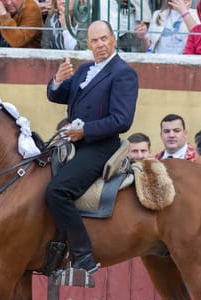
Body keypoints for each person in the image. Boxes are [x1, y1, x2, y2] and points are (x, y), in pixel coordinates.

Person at [45, 20, 138, 275]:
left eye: (104, 39)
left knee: (58, 191)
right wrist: (56, 80)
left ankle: (84, 255)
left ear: (114, 39)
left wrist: (85, 131)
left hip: (100, 146)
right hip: (74, 141)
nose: (100, 45)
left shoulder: (123, 73)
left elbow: (122, 120)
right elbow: (57, 95)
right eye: (95, 41)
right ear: (89, 44)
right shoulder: (85, 70)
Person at [135, 0, 200, 54]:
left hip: (183, 65)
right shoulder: (158, 15)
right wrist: (145, 38)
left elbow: (199, 38)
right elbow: (146, 50)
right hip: (159, 64)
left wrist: (184, 12)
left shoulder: (197, 15)